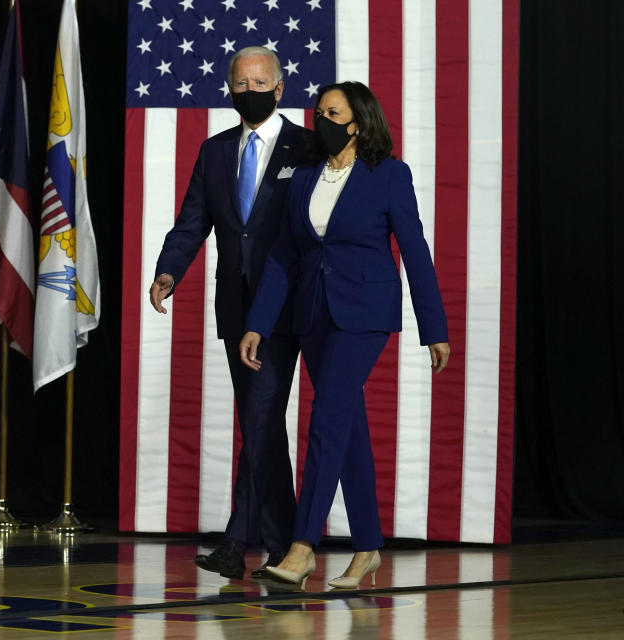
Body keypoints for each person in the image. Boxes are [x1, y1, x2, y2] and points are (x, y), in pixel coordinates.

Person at [239, 81, 450, 590]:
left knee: (326, 420)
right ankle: (368, 549)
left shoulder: (389, 175)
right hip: (313, 315)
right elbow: (284, 259)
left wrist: (434, 327)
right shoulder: (305, 176)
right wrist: (257, 323)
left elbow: (416, 251)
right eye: (318, 112)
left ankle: (303, 545)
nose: (322, 120)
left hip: (365, 314)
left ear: (358, 123)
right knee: (347, 428)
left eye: (333, 113)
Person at [149, 47, 316, 579]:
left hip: (285, 306)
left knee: (262, 416)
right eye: (241, 83)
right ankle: (285, 544)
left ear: (281, 87)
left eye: (260, 81)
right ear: (228, 89)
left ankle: (236, 542)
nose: (251, 90)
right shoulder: (215, 150)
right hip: (235, 307)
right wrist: (168, 272)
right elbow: (191, 222)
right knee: (261, 423)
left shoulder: (307, 148)